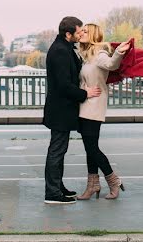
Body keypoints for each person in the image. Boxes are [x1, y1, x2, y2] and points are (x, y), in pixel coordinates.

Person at [42, 16, 101, 204]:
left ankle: (57, 187)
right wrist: (85, 93)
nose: (81, 34)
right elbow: (63, 85)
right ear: (69, 34)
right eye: (79, 32)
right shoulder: (60, 51)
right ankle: (52, 192)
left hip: (62, 109)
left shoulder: (64, 48)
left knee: (59, 150)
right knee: (57, 150)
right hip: (61, 110)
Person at [75, 23, 131, 200]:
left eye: (84, 31)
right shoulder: (86, 55)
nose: (81, 33)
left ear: (92, 34)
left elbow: (111, 64)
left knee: (91, 148)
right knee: (89, 148)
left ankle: (113, 180)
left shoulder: (99, 53)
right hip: (85, 103)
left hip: (94, 104)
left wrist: (119, 52)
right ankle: (93, 185)